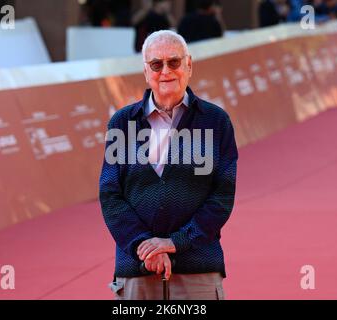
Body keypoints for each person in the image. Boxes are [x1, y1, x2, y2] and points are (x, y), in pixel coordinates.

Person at [100, 30, 238, 300]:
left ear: (189, 65)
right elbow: (110, 195)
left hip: (198, 267)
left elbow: (222, 196)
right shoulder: (122, 124)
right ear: (145, 71)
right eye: (156, 64)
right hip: (137, 269)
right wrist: (145, 246)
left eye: (174, 62)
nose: (166, 71)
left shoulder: (215, 121)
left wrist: (176, 242)